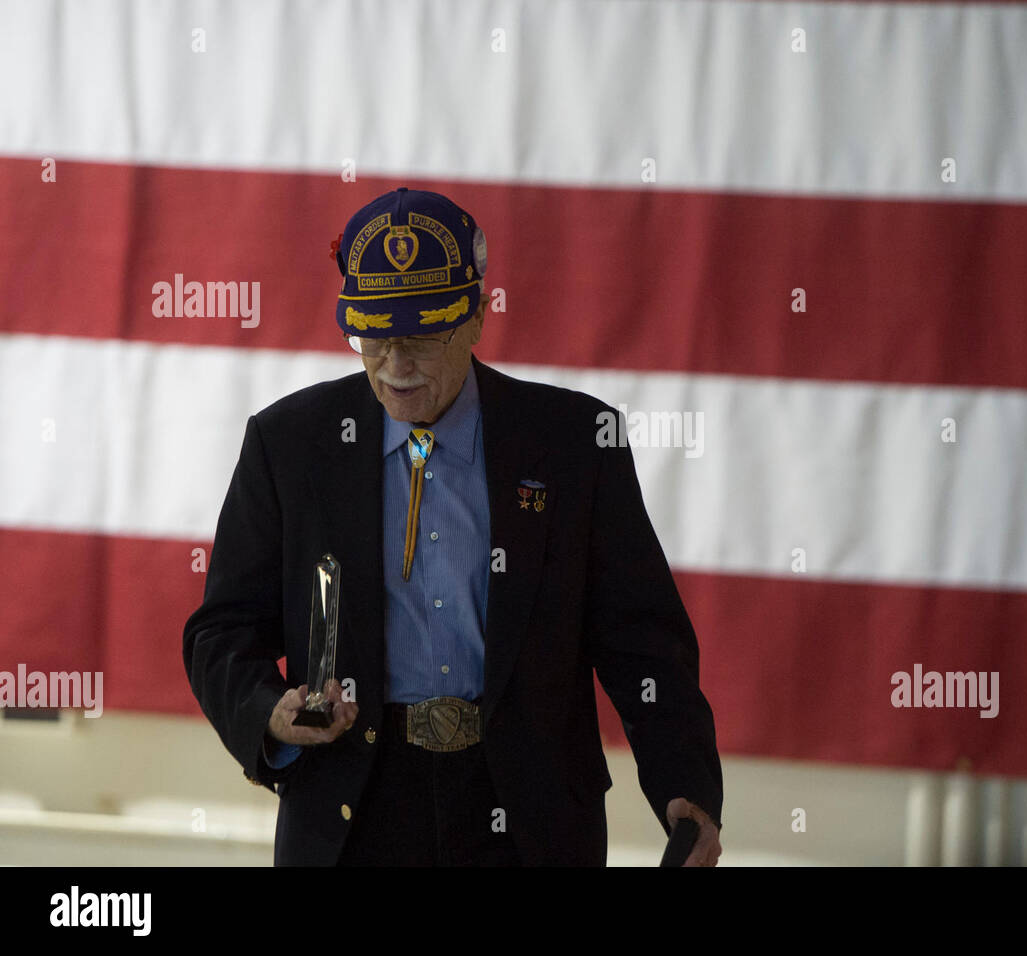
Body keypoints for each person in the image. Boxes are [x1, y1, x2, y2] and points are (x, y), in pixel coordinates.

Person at [182, 187, 724, 866]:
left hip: (529, 816)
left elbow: (643, 643)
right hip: (352, 812)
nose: (396, 366)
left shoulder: (574, 443)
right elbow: (221, 631)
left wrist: (686, 790)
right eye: (373, 338)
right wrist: (268, 710)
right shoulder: (290, 445)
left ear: (475, 318)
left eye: (423, 337)